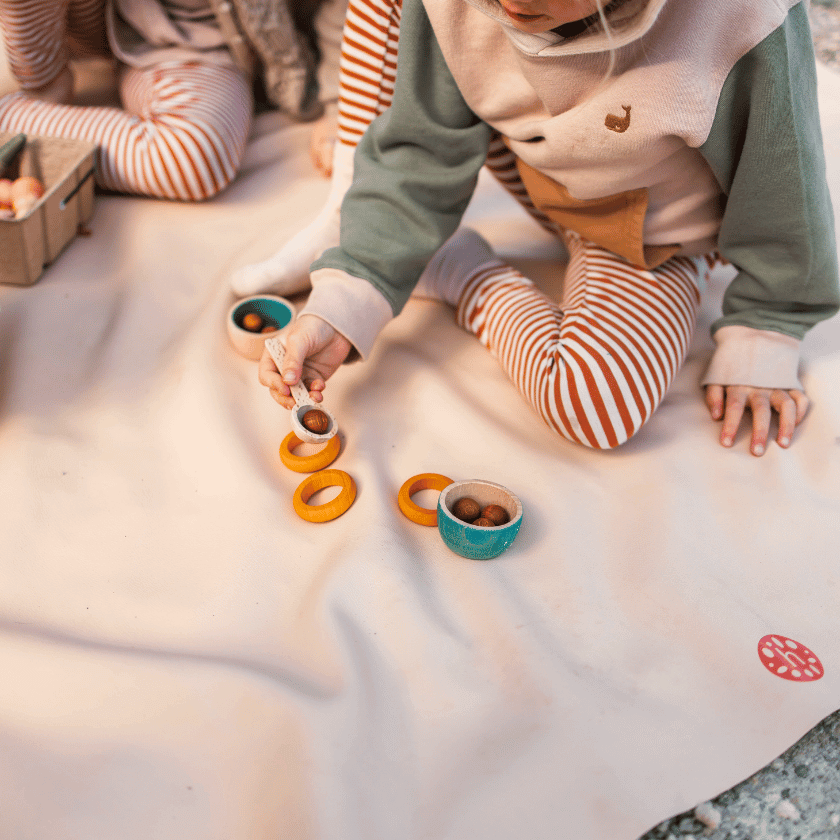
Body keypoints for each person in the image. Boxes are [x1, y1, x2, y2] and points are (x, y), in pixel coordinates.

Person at [256, 0, 839, 454]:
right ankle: (356, 222)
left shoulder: (741, 19)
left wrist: (769, 322)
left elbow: (782, 178)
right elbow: (420, 151)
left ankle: (461, 269)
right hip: (531, 152)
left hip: (647, 229)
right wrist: (350, 297)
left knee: (595, 403)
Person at [0, 0, 339, 200]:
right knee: (195, 156)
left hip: (259, 35)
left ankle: (23, 121)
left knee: (197, 155)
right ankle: (28, 111)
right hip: (140, 28)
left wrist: (340, 92)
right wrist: (44, 82)